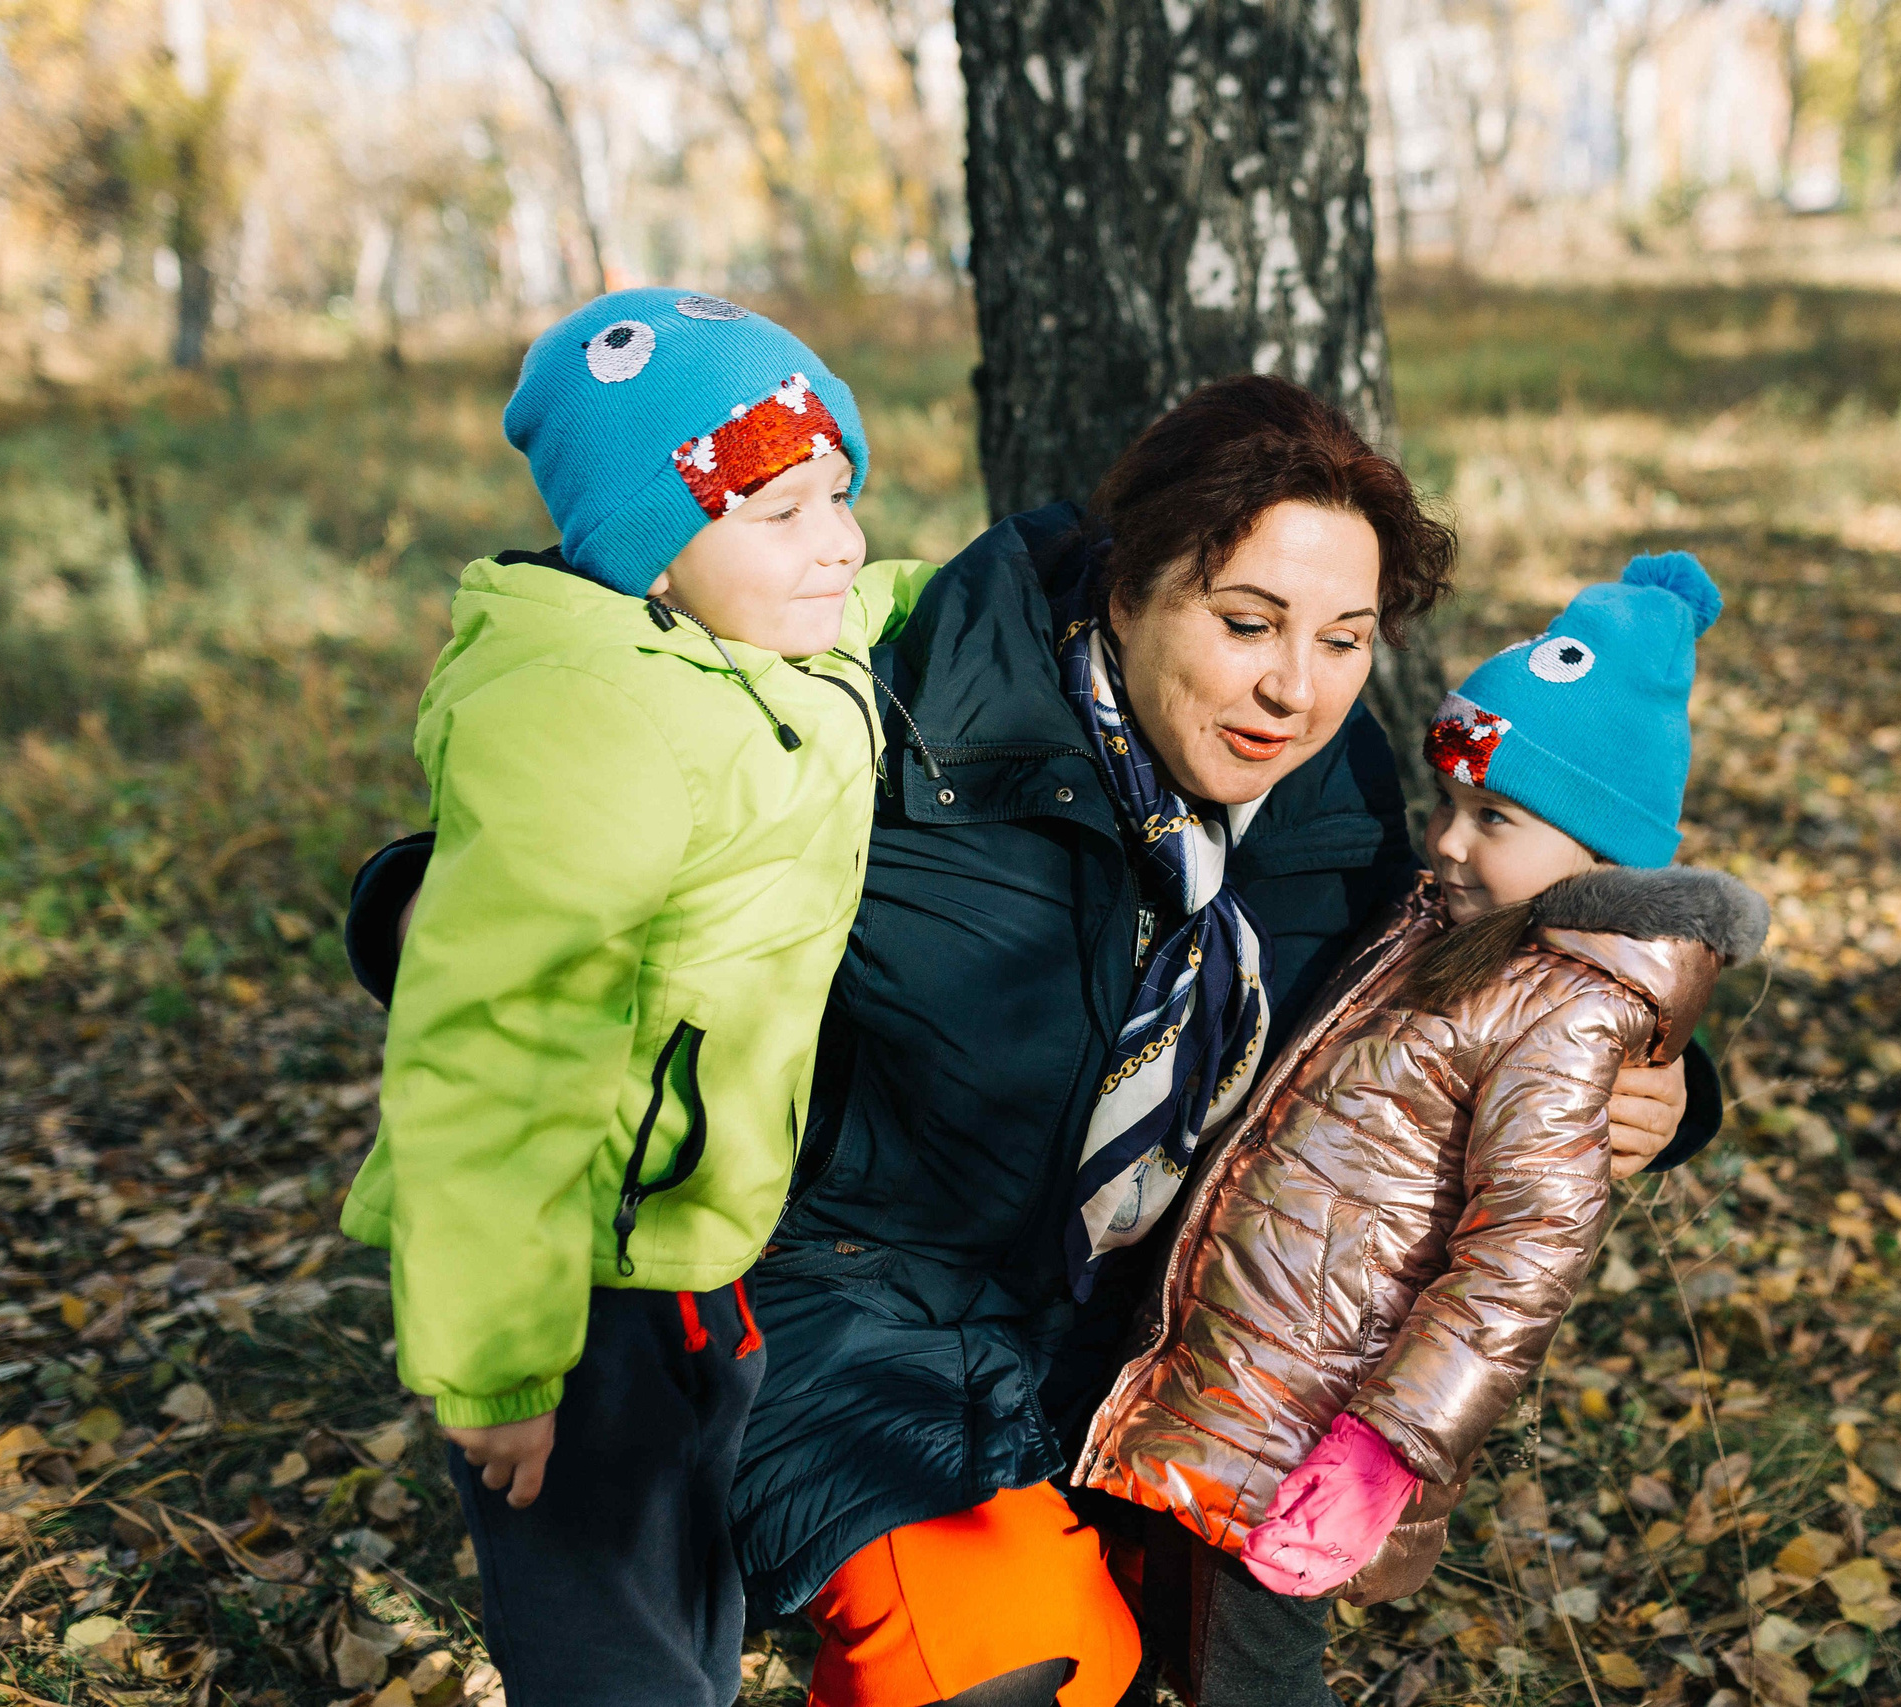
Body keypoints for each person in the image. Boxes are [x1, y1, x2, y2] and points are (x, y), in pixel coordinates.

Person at [343, 375, 1713, 1707]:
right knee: (1001, 1660)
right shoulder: (913, 705)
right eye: (1247, 622)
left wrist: (1665, 1082)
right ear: (1127, 590)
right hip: (853, 1294)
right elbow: (631, 780)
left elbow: (1453, 976)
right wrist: (422, 900)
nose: (1294, 689)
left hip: (1132, 1331)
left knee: (1107, 1662)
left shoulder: (1332, 795)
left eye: (1345, 639)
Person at [337, 288, 934, 1707]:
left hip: (692, 1243)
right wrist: (499, 1364)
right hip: (574, 1285)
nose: (836, 541)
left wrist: (1032, 570)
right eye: (783, 511)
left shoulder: (762, 641)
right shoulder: (587, 718)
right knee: (606, 1643)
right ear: (654, 551)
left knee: (686, 1598)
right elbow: (489, 1052)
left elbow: (886, 595)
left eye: (840, 494)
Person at [1075, 554, 1767, 1697]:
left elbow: (1519, 1262)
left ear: (1602, 849)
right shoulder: (1446, 930)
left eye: (1491, 817)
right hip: (1233, 1384)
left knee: (1246, 1676)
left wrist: (1387, 1448)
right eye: (1447, 805)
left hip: (1307, 1430)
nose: (1444, 842)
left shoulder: (1566, 1008)